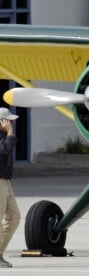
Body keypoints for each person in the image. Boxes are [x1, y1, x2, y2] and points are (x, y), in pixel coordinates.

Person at [0, 108, 20, 268]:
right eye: (8, 120)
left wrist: (9, 133)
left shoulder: (6, 136)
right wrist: (10, 132)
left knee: (14, 217)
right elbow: (5, 149)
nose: (11, 123)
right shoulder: (7, 135)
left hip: (5, 181)